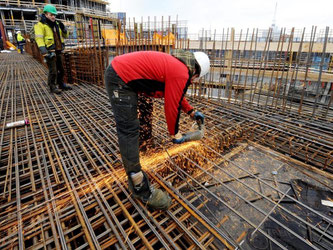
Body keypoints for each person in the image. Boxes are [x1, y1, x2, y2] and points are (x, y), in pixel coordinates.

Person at [104, 50, 210, 210]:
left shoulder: (178, 67)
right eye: (195, 79)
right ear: (196, 72)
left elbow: (176, 94)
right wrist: (175, 134)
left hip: (123, 75)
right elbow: (171, 106)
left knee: (145, 110)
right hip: (120, 78)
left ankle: (143, 148)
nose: (193, 82)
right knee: (129, 129)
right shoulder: (181, 72)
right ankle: (140, 187)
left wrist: (191, 111)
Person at [34, 4, 72, 94]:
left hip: (58, 50)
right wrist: (44, 51)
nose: (53, 16)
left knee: (61, 69)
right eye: (51, 15)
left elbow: (65, 36)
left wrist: (64, 29)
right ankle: (52, 87)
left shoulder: (57, 24)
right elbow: (39, 38)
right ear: (46, 14)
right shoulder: (41, 25)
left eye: (54, 15)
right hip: (49, 51)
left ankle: (61, 84)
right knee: (53, 71)